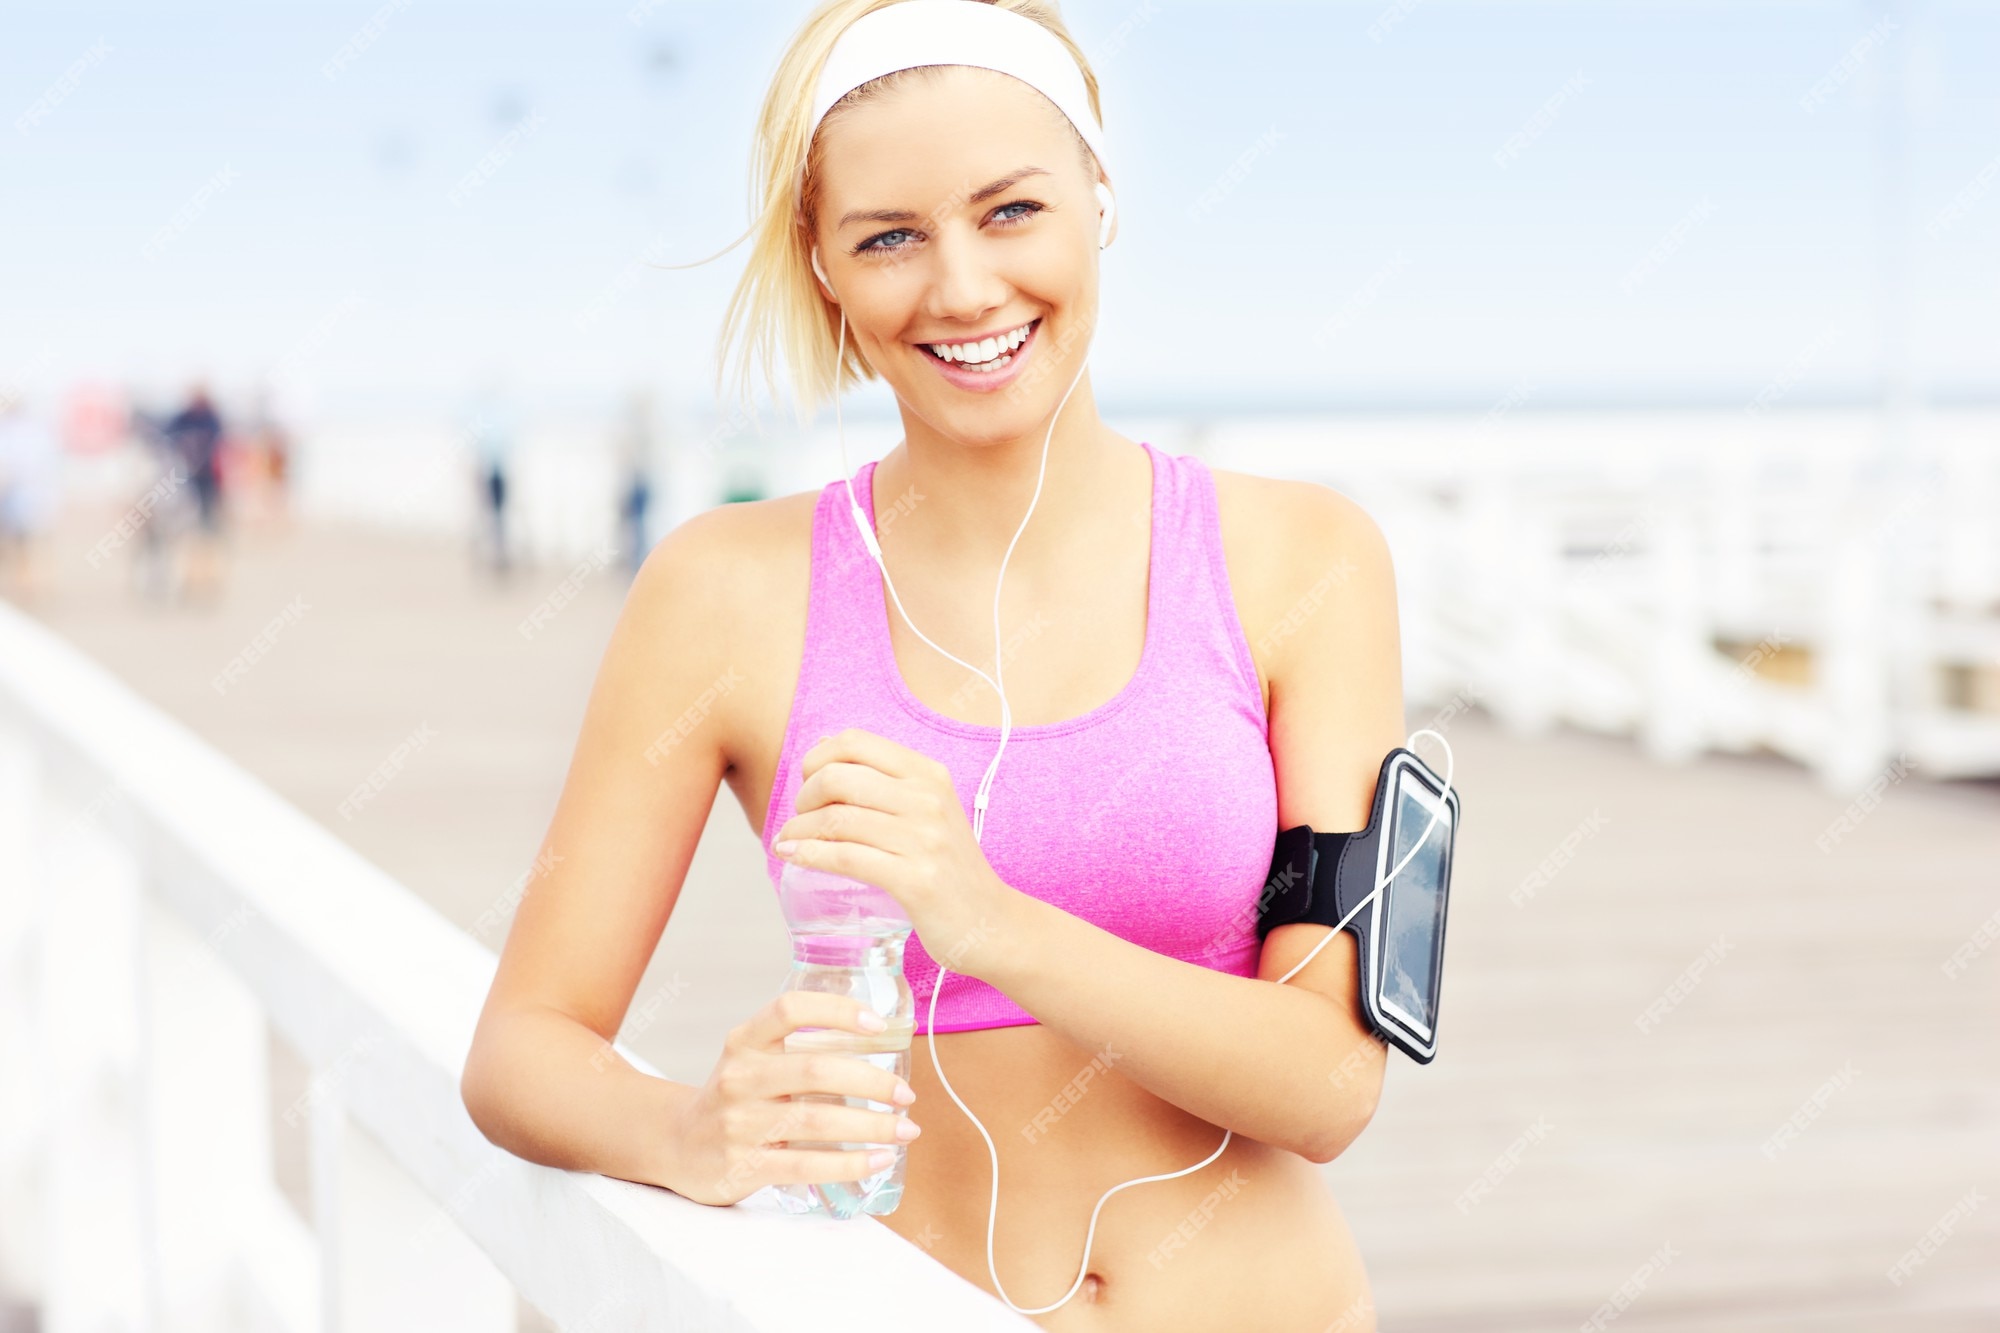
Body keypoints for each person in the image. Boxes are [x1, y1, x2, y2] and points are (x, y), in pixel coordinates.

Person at [461, 3, 1403, 1328]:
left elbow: (1331, 1085)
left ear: (1099, 197)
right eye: (890, 237)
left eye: (1011, 210)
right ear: (825, 271)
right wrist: (692, 1132)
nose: (960, 287)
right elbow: (522, 1049)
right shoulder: (724, 592)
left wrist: (987, 919)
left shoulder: (1305, 559)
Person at [163, 382, 227, 600]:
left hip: (207, 484)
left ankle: (209, 577)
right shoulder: (183, 419)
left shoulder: (212, 420)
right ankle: (192, 578)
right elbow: (165, 439)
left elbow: (221, 453)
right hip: (186, 484)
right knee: (189, 534)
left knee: (208, 534)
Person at [0, 394, 62, 603]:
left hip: (21, 497)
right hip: (32, 497)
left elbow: (10, 468)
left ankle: (28, 585)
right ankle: (34, 584)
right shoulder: (36, 432)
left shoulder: (18, 433)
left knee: (22, 544)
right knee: (30, 544)